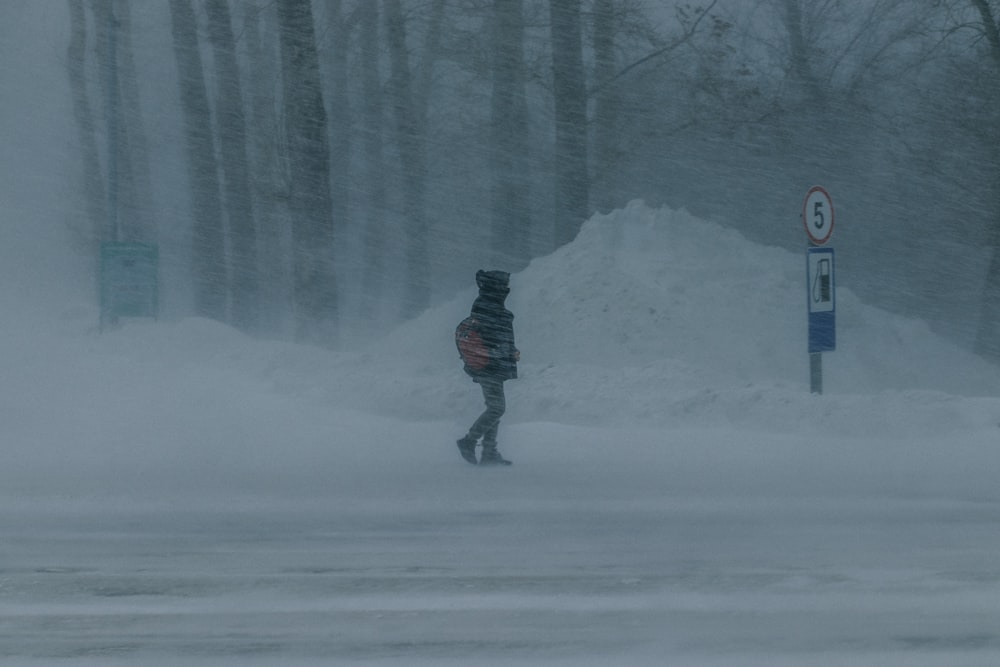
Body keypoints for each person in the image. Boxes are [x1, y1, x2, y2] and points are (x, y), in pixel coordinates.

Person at [456, 270, 520, 466]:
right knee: (497, 408)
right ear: (497, 286)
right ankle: (469, 440)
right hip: (489, 365)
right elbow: (492, 338)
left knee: (494, 407)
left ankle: (489, 451)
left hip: (492, 364)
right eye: (505, 284)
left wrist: (510, 351)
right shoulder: (489, 306)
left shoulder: (488, 303)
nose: (507, 288)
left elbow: (495, 336)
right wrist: (504, 352)